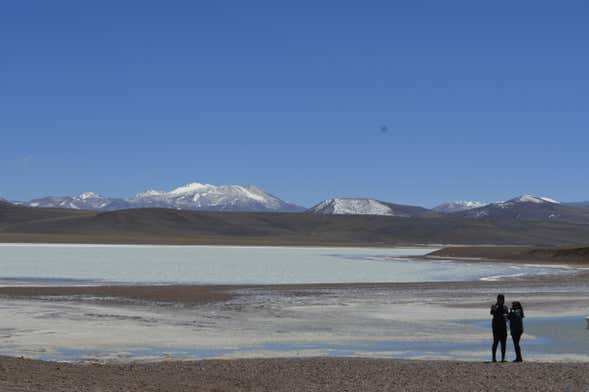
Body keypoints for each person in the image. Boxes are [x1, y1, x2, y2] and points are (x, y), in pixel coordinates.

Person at [490, 294, 509, 362]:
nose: (501, 300)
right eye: (499, 299)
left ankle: (503, 358)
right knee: (495, 343)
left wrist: (506, 316)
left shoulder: (505, 307)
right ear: (497, 299)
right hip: (496, 327)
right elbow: (492, 313)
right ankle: (493, 358)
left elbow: (507, 316)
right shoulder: (494, 306)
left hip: (503, 327)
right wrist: (495, 308)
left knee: (503, 343)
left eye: (502, 299)